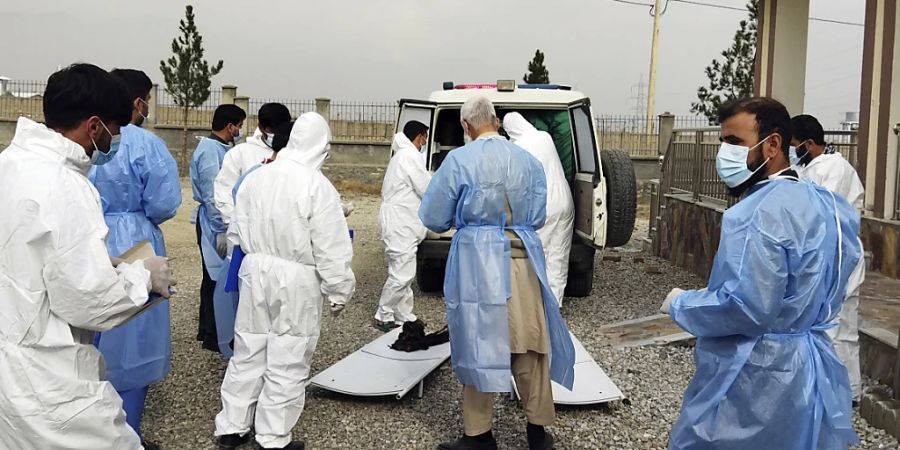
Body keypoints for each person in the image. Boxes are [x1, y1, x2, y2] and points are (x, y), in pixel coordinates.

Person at [661, 97, 861, 450]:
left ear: (772, 144)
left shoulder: (754, 214)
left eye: (735, 142)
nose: (724, 154)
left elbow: (746, 307)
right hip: (808, 367)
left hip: (758, 375)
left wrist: (682, 305)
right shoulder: (824, 204)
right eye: (723, 142)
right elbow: (843, 268)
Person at [0, 63, 174, 449]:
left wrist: (101, 263)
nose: (117, 139)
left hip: (12, 357)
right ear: (94, 127)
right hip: (46, 372)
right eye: (116, 129)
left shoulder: (9, 165)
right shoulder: (66, 186)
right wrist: (142, 277)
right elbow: (89, 303)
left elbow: (28, 256)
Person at [419, 97, 575, 450]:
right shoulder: (528, 161)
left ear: (466, 127)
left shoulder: (459, 160)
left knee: (478, 344)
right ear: (497, 121)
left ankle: (478, 434)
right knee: (530, 344)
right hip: (522, 259)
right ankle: (537, 432)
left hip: (476, 264)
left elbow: (433, 216)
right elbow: (537, 215)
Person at [214, 113, 355, 450]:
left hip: (255, 270)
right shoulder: (316, 186)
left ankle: (232, 426)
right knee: (288, 354)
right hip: (296, 279)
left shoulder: (257, 177)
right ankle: (272, 436)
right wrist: (338, 289)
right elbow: (331, 245)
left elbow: (236, 228)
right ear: (321, 145)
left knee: (248, 349)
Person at [88, 68, 181, 449]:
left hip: (93, 235)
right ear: (139, 101)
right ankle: (129, 435)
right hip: (136, 239)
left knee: (90, 334)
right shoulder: (146, 144)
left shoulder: (87, 136)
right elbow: (163, 202)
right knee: (134, 340)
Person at [791, 114, 866, 403]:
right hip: (826, 258)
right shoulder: (812, 167)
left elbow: (826, 215)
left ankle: (842, 395)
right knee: (832, 328)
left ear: (808, 143)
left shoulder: (833, 168)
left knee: (838, 328)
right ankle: (836, 392)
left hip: (838, 258)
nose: (792, 150)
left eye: (794, 144)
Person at [503, 112, 575, 306]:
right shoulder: (545, 137)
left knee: (538, 254)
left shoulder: (518, 147)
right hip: (565, 202)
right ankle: (555, 303)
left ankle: (537, 306)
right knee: (559, 255)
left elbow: (515, 183)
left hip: (546, 205)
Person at [191, 104, 246, 353]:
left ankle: (210, 330)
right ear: (230, 126)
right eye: (240, 126)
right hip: (214, 224)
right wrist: (222, 227)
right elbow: (213, 193)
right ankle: (214, 334)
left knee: (215, 277)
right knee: (216, 278)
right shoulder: (210, 151)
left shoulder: (221, 148)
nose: (241, 131)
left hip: (219, 222)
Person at [374, 120, 432, 331]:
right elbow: (425, 187)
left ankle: (403, 314)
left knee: (402, 269)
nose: (425, 142)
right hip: (400, 223)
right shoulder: (409, 156)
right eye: (425, 137)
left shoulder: (402, 156)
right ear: (419, 137)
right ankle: (383, 313)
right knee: (403, 273)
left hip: (400, 221)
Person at [214, 102, 292, 228]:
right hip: (246, 231)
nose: (277, 134)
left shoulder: (295, 155)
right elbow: (224, 192)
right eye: (273, 130)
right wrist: (234, 227)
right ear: (261, 128)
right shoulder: (241, 153)